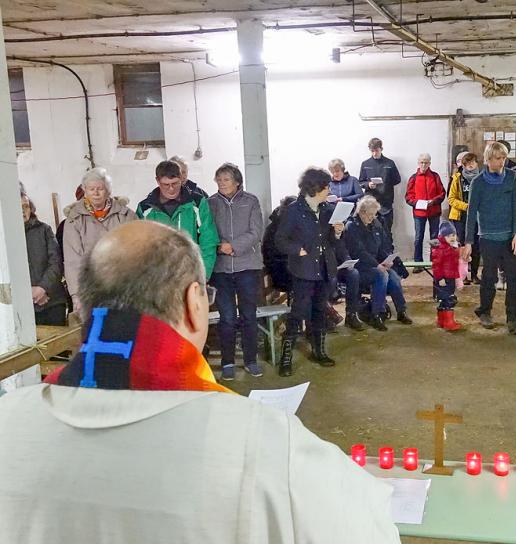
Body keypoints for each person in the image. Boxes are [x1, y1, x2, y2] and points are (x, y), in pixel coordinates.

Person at [0, 220, 400, 543]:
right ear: (196, 304)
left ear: (84, 305)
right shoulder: (267, 446)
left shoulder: (8, 420)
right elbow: (371, 529)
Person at [276, 168, 346, 373]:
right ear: (314, 188)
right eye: (326, 187)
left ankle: (319, 351)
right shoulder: (293, 211)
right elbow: (280, 240)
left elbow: (331, 242)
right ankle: (286, 358)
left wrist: (338, 233)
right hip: (303, 271)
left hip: (323, 269)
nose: (328, 190)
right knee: (298, 313)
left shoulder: (326, 210)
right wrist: (297, 249)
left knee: (319, 311)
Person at [207, 163, 264, 381]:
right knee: (227, 317)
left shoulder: (250, 201)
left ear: (237, 182)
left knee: (249, 315)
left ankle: (250, 360)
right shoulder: (210, 203)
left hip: (247, 266)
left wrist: (234, 246)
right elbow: (207, 231)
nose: (222, 183)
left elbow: (256, 231)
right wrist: (219, 245)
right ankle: (228, 362)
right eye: (219, 179)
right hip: (221, 268)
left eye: (226, 179)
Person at [463, 141, 516, 334]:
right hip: (488, 237)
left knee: (513, 279)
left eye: (504, 157)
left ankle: (513, 318)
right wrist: (469, 242)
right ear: (488, 159)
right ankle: (485, 312)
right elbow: (471, 213)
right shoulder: (478, 183)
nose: (502, 161)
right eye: (498, 158)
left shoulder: (512, 178)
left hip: (509, 238)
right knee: (488, 278)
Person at [63, 167, 135, 316]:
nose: (96, 193)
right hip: (90, 288)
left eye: (100, 189)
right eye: (91, 189)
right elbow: (72, 259)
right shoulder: (74, 219)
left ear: (108, 191)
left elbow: (136, 252)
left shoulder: (126, 215)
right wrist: (76, 295)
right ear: (84, 190)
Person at [136, 160, 219, 278]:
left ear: (181, 178)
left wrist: (203, 274)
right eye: (166, 185)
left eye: (175, 183)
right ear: (157, 181)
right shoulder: (145, 208)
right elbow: (140, 245)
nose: (171, 189)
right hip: (158, 277)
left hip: (190, 273)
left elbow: (208, 240)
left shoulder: (197, 203)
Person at [344, 196, 413, 332]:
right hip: (359, 267)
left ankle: (401, 311)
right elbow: (359, 251)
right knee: (381, 276)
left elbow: (381, 247)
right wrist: (377, 265)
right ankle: (377, 314)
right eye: (370, 215)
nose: (373, 218)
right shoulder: (351, 226)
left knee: (393, 276)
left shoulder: (375, 224)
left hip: (375, 264)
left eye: (374, 214)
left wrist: (388, 260)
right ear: (361, 212)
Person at [22, 192, 67, 326]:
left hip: (52, 301)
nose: (23, 211)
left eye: (26, 206)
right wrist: (28, 292)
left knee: (60, 344)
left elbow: (56, 262)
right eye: (18, 207)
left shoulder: (44, 230)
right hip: (23, 306)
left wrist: (43, 288)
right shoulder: (4, 236)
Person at [447, 152, 482, 283]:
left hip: (478, 217)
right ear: (464, 165)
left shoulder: (482, 178)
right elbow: (451, 199)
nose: (470, 165)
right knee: (462, 247)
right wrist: (465, 206)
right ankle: (463, 275)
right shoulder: (457, 178)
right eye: (467, 163)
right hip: (461, 217)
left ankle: (474, 275)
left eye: (473, 162)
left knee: (476, 246)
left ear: (477, 163)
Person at [405, 153, 445, 262]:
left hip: (434, 212)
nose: (423, 165)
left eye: (426, 162)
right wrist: (417, 203)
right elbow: (408, 196)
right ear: (418, 163)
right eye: (421, 162)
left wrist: (433, 201)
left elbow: (442, 193)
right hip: (419, 213)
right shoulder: (413, 178)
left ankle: (435, 261)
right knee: (418, 237)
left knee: (434, 237)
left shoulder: (435, 176)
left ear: (429, 163)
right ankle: (418, 262)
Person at [358, 138, 402, 238]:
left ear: (381, 149)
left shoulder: (389, 163)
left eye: (376, 150)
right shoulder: (365, 164)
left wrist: (386, 183)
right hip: (370, 203)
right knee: (369, 232)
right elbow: (360, 182)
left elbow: (397, 180)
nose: (374, 153)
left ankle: (387, 253)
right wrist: (368, 184)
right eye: (372, 151)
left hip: (386, 203)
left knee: (386, 232)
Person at [431, 220, 462, 331]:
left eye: (453, 235)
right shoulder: (440, 249)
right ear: (442, 237)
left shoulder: (451, 247)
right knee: (449, 299)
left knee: (444, 300)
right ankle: (448, 322)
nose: (452, 237)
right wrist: (440, 279)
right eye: (448, 236)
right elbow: (436, 266)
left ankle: (441, 320)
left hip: (450, 277)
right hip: (444, 279)